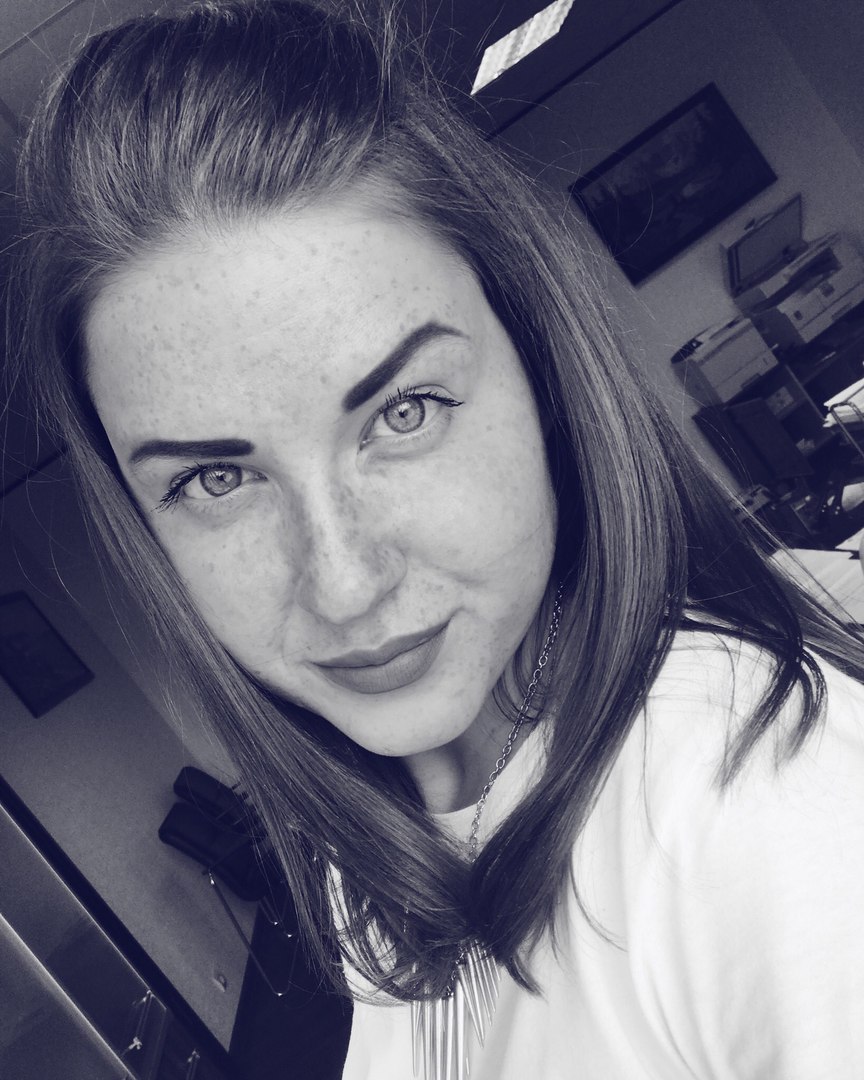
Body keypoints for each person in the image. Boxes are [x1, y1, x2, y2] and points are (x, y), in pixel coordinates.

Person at [12, 1, 864, 1076]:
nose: (344, 584)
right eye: (216, 479)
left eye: (404, 412)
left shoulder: (757, 804)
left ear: (542, 372)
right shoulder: (368, 864)